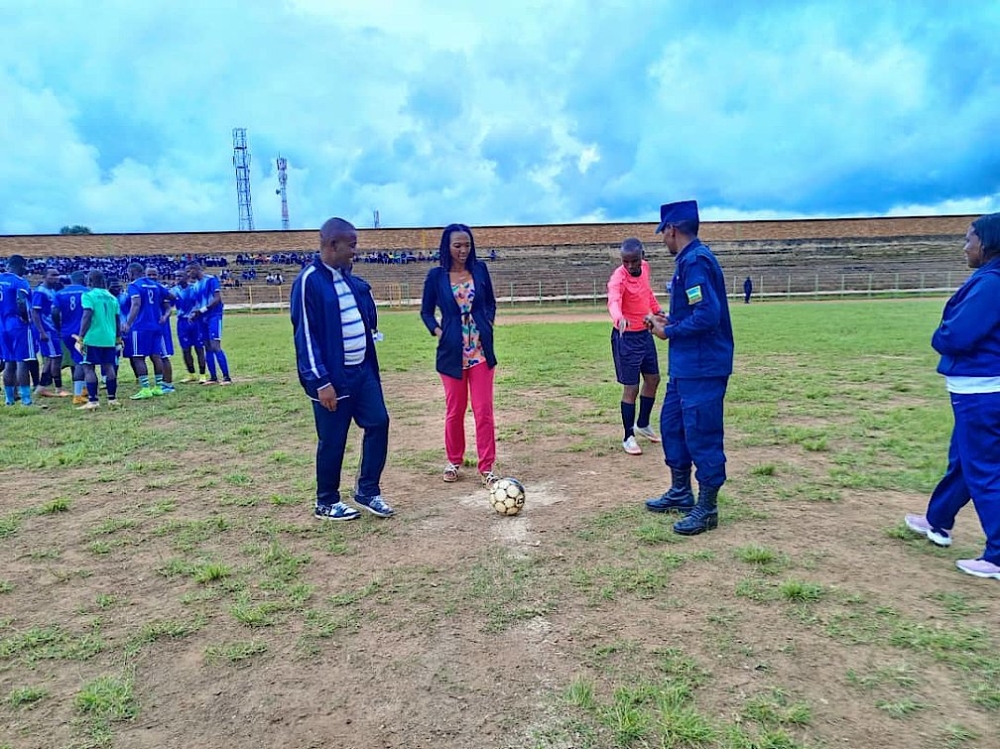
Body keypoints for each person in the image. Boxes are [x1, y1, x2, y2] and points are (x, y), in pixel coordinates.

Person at [904, 213, 1000, 581]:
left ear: (987, 243)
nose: (965, 247)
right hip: (977, 389)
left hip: (983, 392)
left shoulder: (991, 283)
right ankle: (937, 521)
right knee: (963, 461)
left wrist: (940, 337)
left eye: (968, 239)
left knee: (985, 469)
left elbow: (955, 335)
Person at [290, 217, 394, 521]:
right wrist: (320, 381)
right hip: (332, 378)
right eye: (352, 245)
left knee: (378, 422)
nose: (355, 251)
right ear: (332, 244)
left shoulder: (348, 277)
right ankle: (326, 501)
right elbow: (305, 336)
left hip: (362, 372)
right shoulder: (309, 280)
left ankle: (367, 490)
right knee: (333, 440)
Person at [644, 200, 734, 536]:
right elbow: (696, 312)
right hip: (685, 367)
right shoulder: (688, 261)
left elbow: (709, 316)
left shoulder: (695, 261)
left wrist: (669, 330)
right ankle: (681, 492)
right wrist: (671, 320)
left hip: (703, 366)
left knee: (702, 433)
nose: (663, 240)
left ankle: (708, 508)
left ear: (671, 229)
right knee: (673, 426)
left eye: (663, 233)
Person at [420, 223, 500, 485]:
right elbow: (426, 312)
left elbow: (489, 302)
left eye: (467, 245)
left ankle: (486, 466)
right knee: (455, 410)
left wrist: (487, 322)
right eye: (457, 245)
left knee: (483, 410)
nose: (463, 250)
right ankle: (454, 460)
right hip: (451, 353)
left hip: (480, 352)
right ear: (447, 246)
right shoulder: (436, 276)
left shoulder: (480, 269)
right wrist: (437, 330)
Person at [607, 237, 664, 455]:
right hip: (626, 337)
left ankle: (643, 423)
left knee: (653, 379)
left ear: (642, 256)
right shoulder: (618, 279)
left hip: (645, 332)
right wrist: (618, 317)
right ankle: (628, 436)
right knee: (631, 387)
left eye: (634, 261)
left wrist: (658, 310)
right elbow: (613, 300)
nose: (630, 266)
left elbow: (646, 293)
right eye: (625, 262)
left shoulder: (646, 268)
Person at [122, 262, 168, 399]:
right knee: (156, 356)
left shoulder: (134, 285)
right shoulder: (156, 285)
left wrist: (128, 323)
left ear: (130, 272)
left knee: (138, 357)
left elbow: (136, 304)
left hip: (140, 327)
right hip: (156, 325)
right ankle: (159, 387)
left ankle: (145, 388)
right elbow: (171, 296)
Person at [77, 269, 122, 410]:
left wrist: (81, 336)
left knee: (88, 367)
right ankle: (112, 399)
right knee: (109, 366)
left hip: (92, 337)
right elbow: (117, 319)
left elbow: (87, 315)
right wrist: (118, 337)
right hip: (109, 337)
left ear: (89, 281)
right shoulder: (112, 298)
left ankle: (93, 401)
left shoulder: (88, 295)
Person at [187, 261, 232, 385]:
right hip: (202, 319)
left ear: (196, 269)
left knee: (215, 345)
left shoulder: (210, 280)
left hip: (213, 316)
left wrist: (201, 310)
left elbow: (217, 299)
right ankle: (213, 377)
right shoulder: (195, 285)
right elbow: (197, 303)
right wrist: (193, 314)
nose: (188, 274)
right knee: (207, 347)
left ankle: (226, 377)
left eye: (189, 271)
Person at [0, 254, 35, 407]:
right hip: (16, 323)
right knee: (22, 361)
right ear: (21, 267)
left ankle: (9, 399)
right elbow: (21, 300)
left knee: (8, 361)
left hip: (1, 326)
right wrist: (26, 319)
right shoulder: (19, 281)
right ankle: (26, 399)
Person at [31, 267, 68, 398]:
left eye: (57, 275)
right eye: (53, 275)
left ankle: (41, 387)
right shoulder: (40, 292)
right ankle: (58, 388)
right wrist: (41, 331)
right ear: (44, 276)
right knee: (56, 358)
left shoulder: (52, 290)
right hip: (47, 330)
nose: (56, 277)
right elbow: (34, 313)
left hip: (52, 329)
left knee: (50, 359)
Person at [57, 270, 92, 405]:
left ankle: (83, 390)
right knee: (82, 362)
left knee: (79, 359)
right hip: (83, 332)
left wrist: (58, 327)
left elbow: (55, 312)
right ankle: (78, 394)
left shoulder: (60, 293)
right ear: (84, 280)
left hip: (66, 332)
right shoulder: (88, 292)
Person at [171, 269, 207, 383]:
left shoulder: (194, 289)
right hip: (182, 322)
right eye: (176, 276)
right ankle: (191, 374)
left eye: (180, 276)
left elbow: (203, 302)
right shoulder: (173, 291)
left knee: (199, 348)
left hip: (196, 321)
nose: (177, 279)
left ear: (186, 277)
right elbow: (169, 305)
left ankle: (203, 374)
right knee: (185, 349)